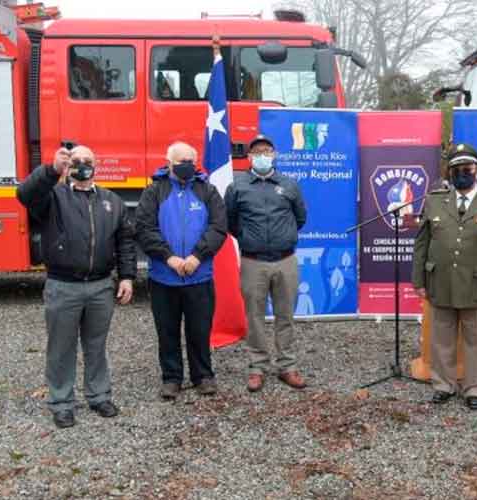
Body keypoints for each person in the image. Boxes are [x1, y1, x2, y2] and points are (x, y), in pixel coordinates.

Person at [16, 144, 136, 429]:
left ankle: (99, 396)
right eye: (77, 161)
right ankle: (61, 403)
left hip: (100, 287)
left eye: (88, 160)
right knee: (61, 347)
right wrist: (50, 171)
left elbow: (125, 242)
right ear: (68, 166)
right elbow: (24, 194)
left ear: (97, 165)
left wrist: (127, 276)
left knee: (97, 345)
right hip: (63, 286)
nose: (83, 164)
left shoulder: (111, 201)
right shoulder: (52, 197)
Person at [412, 143, 477, 410]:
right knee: (441, 337)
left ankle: (475, 388)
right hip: (440, 281)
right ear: (449, 172)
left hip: (476, 284)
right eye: (456, 169)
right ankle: (443, 384)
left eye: (467, 168)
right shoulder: (434, 200)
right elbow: (421, 243)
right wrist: (418, 281)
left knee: (476, 339)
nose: (462, 173)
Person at [135, 142, 227, 399]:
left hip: (200, 276)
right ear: (169, 161)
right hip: (164, 277)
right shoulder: (154, 191)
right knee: (167, 331)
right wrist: (169, 258)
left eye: (191, 159)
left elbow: (218, 227)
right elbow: (144, 228)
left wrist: (198, 256)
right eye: (181, 160)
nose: (187, 164)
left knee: (199, 330)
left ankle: (203, 376)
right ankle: (172, 378)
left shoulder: (207, 191)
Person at [224, 134, 307, 392]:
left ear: (274, 154)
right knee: (254, 317)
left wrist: (282, 238)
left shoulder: (289, 184)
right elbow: (230, 222)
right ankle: (257, 367)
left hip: (285, 261)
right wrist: (251, 239)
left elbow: (300, 217)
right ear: (249, 157)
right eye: (257, 151)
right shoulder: (237, 186)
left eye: (267, 150)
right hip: (253, 262)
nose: (262, 155)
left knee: (285, 316)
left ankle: (287, 366)